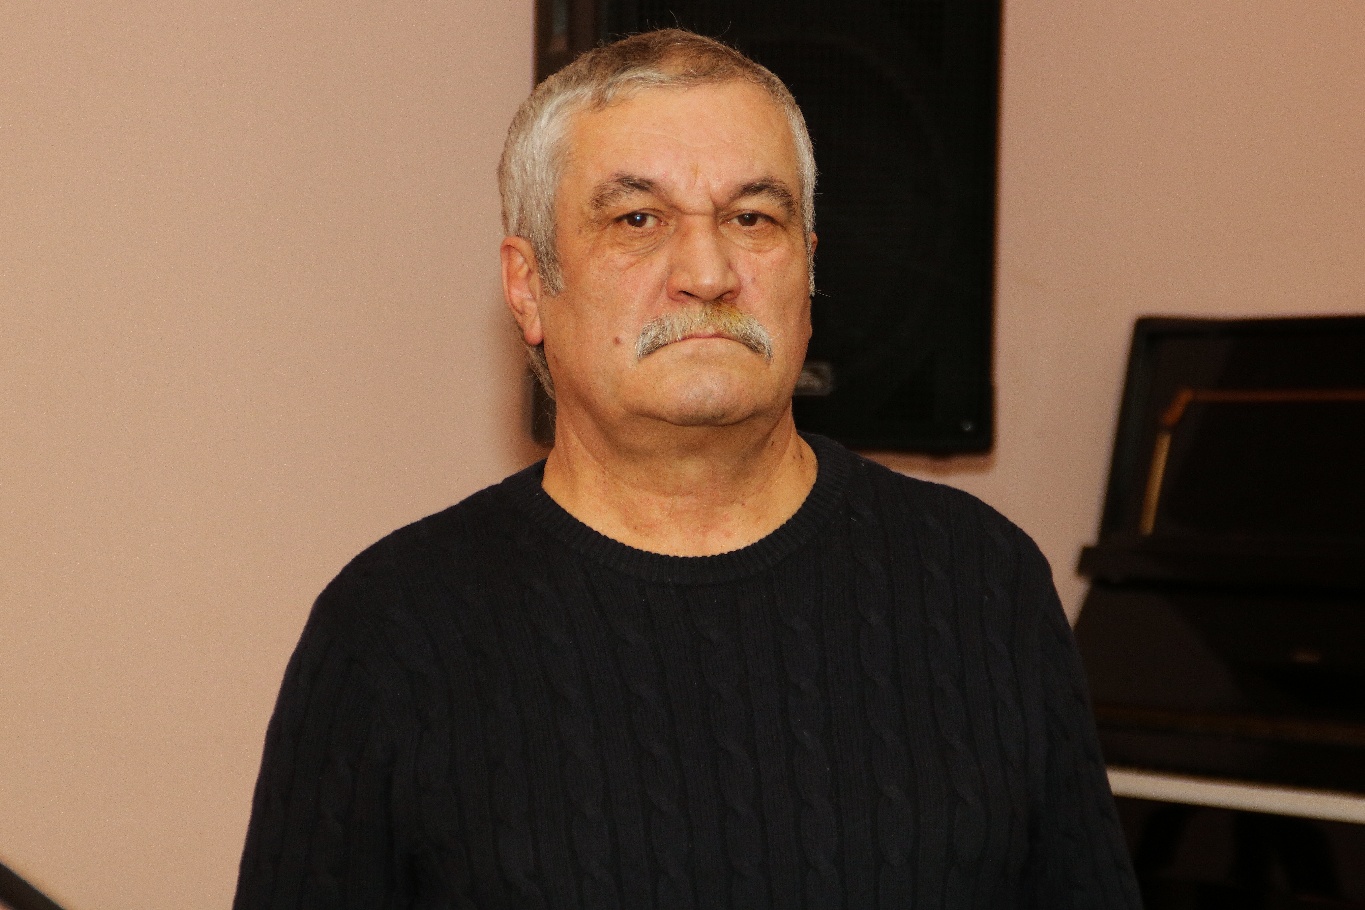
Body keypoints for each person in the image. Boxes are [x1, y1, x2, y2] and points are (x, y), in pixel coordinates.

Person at [234, 29, 1142, 909]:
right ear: (527, 286)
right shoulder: (394, 629)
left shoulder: (980, 584)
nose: (707, 273)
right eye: (637, 219)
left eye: (752, 218)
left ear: (807, 272)